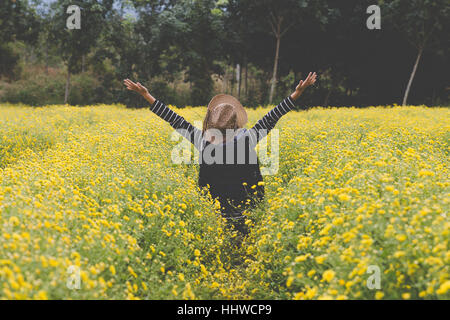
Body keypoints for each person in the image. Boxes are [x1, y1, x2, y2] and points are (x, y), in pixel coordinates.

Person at [124, 72, 317, 238]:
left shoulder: (203, 141)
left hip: (214, 216)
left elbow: (174, 119)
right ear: (234, 125)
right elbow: (273, 115)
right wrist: (298, 93)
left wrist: (146, 95)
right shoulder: (247, 139)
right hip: (248, 214)